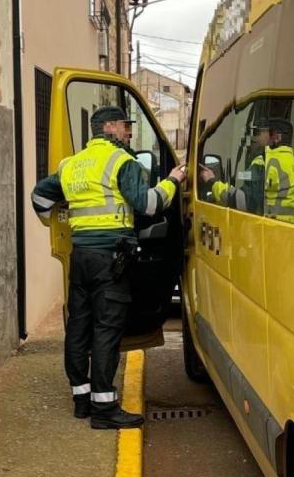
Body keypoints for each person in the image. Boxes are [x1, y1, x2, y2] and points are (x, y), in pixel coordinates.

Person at [32, 106, 186, 429]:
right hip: (111, 260)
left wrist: (61, 223)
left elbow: (40, 199)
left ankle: (81, 400)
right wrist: (173, 181)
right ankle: (104, 408)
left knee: (79, 327)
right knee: (106, 330)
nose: (129, 132)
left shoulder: (72, 165)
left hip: (81, 257)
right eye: (125, 126)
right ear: (110, 126)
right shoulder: (121, 162)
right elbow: (148, 205)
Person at [200, 119, 271, 214]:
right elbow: (244, 177)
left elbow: (242, 201)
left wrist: (212, 182)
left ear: (272, 135)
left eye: (258, 132)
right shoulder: (286, 164)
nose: (253, 138)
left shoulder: (260, 164)